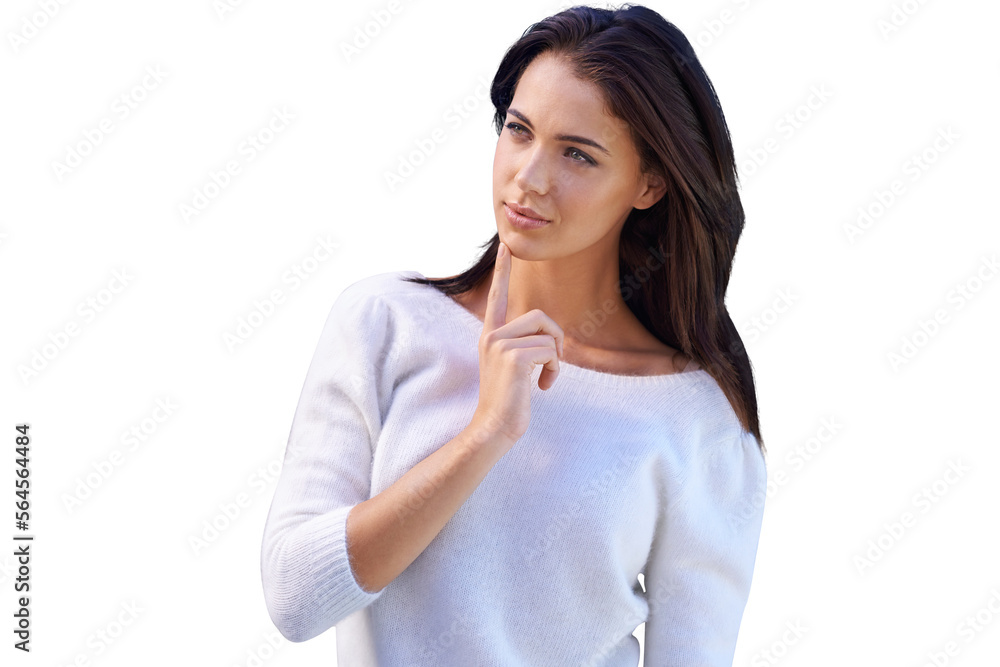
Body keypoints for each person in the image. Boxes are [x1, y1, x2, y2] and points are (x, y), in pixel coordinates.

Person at [260, 4, 768, 665]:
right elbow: (295, 598)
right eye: (519, 131)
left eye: (578, 155)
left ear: (648, 184)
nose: (528, 177)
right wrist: (485, 434)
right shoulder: (382, 322)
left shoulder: (697, 418)